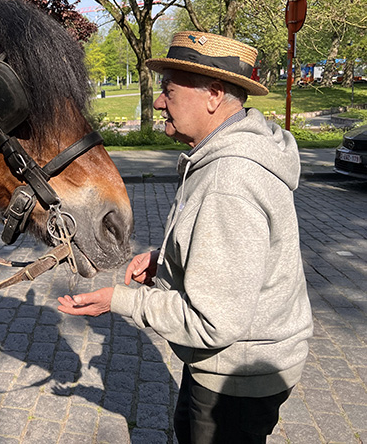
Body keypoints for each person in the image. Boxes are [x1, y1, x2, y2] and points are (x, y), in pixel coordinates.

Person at [59, 31, 313, 443]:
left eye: (169, 91)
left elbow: (214, 323)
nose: (159, 101)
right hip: (242, 364)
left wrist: (118, 300)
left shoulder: (228, 179)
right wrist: (169, 258)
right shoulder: (227, 156)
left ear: (214, 95)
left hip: (236, 377)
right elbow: (239, 255)